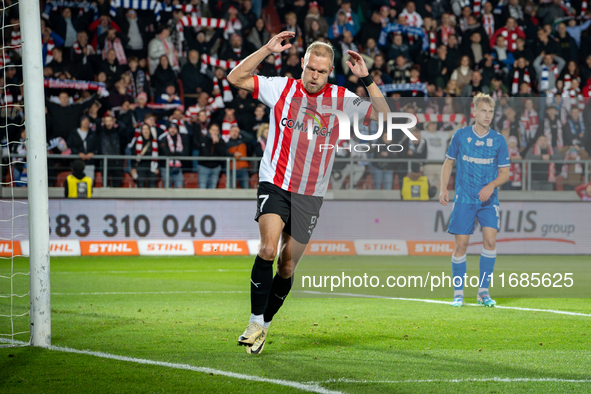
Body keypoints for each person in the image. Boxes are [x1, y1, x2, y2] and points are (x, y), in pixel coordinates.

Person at [227, 31, 388, 354]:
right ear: (302, 63)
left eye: (322, 71)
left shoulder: (341, 99)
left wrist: (367, 78)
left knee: (286, 267)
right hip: (275, 182)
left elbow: (385, 117)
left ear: (330, 72)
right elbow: (236, 77)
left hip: (310, 195)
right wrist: (267, 50)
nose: (315, 76)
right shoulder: (281, 88)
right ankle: (255, 320)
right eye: (311, 68)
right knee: (268, 250)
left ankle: (265, 324)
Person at [439, 93, 510, 308]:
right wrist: (443, 187)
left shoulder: (498, 140)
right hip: (465, 198)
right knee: (461, 245)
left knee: (490, 242)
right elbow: (448, 163)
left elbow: (505, 173)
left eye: (490, 112)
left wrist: (491, 186)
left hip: (489, 201)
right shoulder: (460, 136)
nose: (487, 115)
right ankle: (458, 293)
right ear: (474, 112)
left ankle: (483, 292)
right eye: (484, 111)